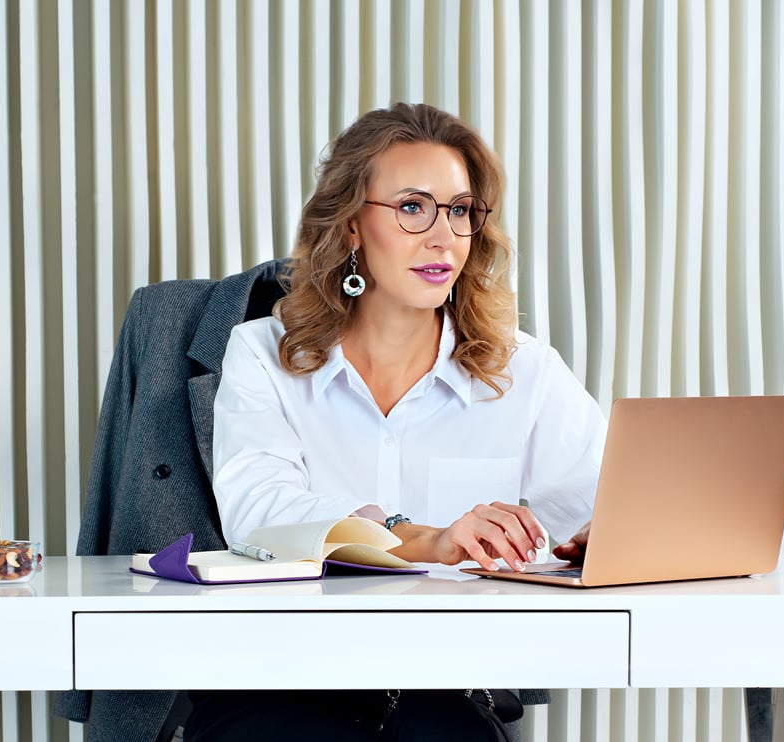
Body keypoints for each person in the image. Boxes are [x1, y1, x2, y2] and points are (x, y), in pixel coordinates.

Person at [183, 102, 606, 741]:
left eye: (460, 210)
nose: (443, 238)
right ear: (351, 226)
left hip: (445, 682)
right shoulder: (263, 353)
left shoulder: (524, 370)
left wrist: (601, 539)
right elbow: (262, 514)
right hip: (283, 673)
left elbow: (602, 501)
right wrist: (430, 540)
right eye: (412, 207)